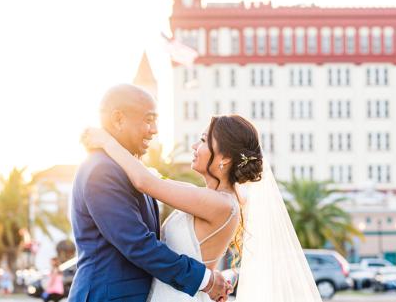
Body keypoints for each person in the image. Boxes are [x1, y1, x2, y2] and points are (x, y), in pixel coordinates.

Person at [82, 87, 323, 301]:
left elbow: (145, 181)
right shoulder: (201, 196)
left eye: (203, 140)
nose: (194, 147)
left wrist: (106, 140)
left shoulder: (220, 204)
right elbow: (152, 179)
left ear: (225, 158)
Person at [69, 85, 230, 302]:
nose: (154, 129)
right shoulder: (102, 170)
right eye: (148, 120)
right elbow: (137, 244)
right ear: (118, 120)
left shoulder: (132, 171)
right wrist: (206, 281)